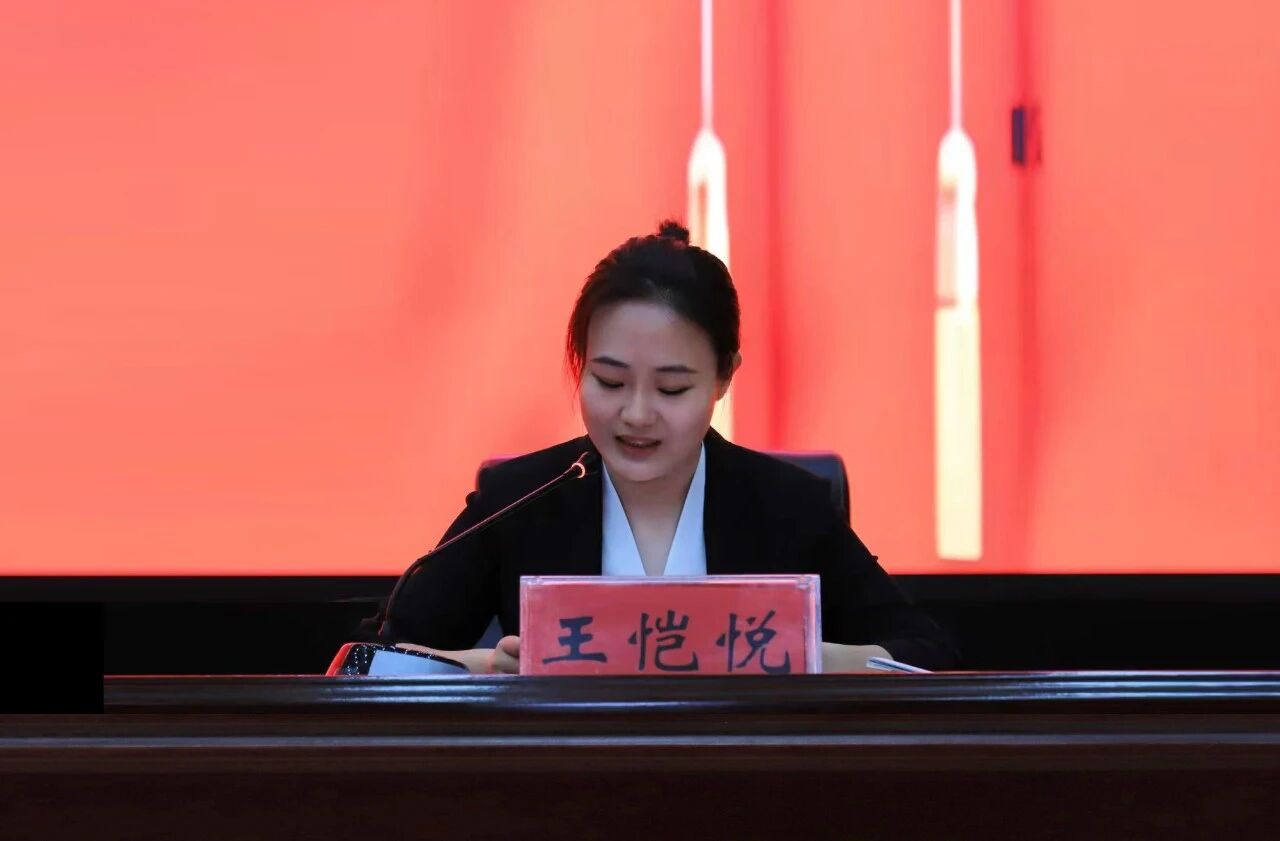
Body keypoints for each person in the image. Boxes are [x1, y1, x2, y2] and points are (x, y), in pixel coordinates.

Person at [373, 220, 959, 674]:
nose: (636, 414)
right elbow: (373, 660)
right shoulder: (520, 500)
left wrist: (806, 656)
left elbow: (928, 654)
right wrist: (494, 669)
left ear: (724, 377)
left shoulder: (786, 506)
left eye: (672, 388)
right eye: (609, 382)